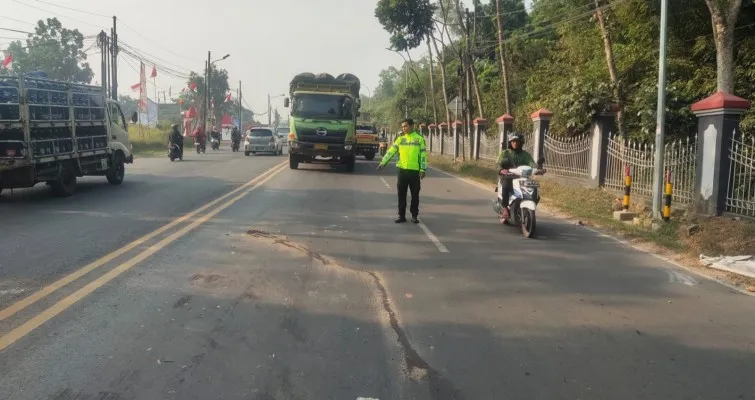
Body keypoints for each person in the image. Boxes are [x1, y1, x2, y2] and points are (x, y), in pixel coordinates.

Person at [377, 118, 427, 224]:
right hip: (402, 170)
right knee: (401, 194)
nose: (403, 128)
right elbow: (391, 151)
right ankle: (401, 216)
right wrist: (383, 162)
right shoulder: (400, 139)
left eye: (405, 126)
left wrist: (423, 169)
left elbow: (423, 155)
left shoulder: (419, 139)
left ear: (412, 126)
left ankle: (414, 215)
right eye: (402, 127)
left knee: (415, 195)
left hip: (414, 171)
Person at [497, 132, 539, 220]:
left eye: (517, 142)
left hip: (522, 177)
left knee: (534, 187)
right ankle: (505, 209)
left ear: (521, 143)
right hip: (508, 176)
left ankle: (528, 208)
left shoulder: (525, 154)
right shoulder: (505, 153)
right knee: (505, 186)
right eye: (513, 141)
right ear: (510, 143)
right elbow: (498, 164)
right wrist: (501, 170)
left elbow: (532, 164)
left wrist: (538, 169)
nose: (515, 143)